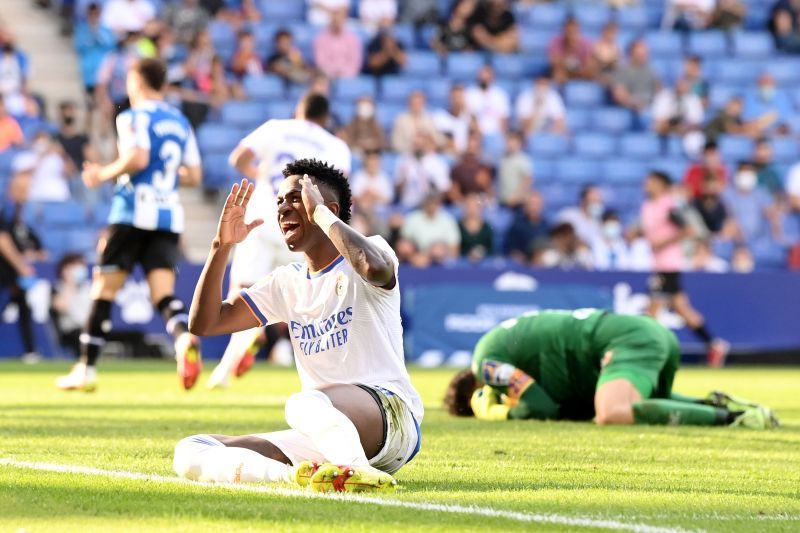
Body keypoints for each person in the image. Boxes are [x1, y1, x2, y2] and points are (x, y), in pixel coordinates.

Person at [173, 160, 423, 492]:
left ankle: (357, 472)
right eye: (279, 202)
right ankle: (300, 476)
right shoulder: (285, 282)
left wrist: (321, 214)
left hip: (390, 418)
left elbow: (374, 268)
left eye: (295, 199)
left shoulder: (372, 248)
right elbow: (205, 323)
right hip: (325, 432)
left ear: (327, 209)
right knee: (191, 450)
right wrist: (222, 247)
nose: (283, 208)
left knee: (303, 403)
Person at [56, 58, 203, 392]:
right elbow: (194, 175)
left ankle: (86, 370)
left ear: (137, 81)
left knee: (103, 289)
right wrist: (162, 177)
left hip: (132, 212)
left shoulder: (132, 116)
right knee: (163, 294)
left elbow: (136, 158)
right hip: (168, 216)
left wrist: (101, 174)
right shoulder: (180, 121)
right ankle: (183, 340)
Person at [209, 93, 352, 390]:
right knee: (298, 299)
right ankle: (317, 373)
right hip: (302, 229)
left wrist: (261, 176)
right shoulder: (336, 147)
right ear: (326, 119)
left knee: (242, 292)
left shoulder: (276, 127)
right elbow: (341, 194)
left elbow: (238, 158)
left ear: (299, 109)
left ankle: (225, 369)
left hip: (263, 218)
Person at [444, 308, 778, 429]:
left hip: (627, 340)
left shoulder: (485, 363)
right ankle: (714, 405)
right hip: (642, 333)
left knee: (612, 412)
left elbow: (542, 407)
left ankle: (733, 420)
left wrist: (495, 413)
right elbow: (566, 405)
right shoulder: (502, 346)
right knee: (633, 404)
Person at [640, 170, 730, 368]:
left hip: (668, 264)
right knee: (682, 309)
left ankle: (647, 354)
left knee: (652, 310)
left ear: (661, 185)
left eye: (650, 182)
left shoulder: (669, 206)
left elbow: (688, 229)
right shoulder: (649, 206)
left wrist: (662, 243)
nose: (646, 185)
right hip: (659, 263)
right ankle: (714, 344)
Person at [0, 172, 44, 362]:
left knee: (25, 310)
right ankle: (30, 351)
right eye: (23, 188)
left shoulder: (19, 212)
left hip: (13, 274)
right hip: (4, 271)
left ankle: (31, 352)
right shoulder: (5, 208)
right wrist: (20, 265)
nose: (27, 192)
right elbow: (2, 240)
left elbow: (29, 241)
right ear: (13, 188)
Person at [74, 2, 117, 130]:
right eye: (91, 14)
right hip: (89, 71)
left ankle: (104, 129)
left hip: (103, 71)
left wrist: (97, 34)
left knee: (104, 101)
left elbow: (111, 46)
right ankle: (88, 130)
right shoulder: (82, 29)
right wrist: (91, 35)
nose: (93, 16)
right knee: (89, 103)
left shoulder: (105, 30)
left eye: (96, 14)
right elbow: (79, 47)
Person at [397, 191, 460, 266]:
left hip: (439, 262)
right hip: (414, 259)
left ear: (439, 204)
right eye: (430, 202)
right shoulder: (413, 218)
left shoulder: (448, 220)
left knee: (437, 250)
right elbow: (403, 243)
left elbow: (454, 249)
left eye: (435, 202)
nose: (432, 205)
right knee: (405, 247)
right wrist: (415, 257)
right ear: (425, 203)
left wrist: (430, 257)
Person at [394, 132, 450, 209]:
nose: (418, 148)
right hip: (408, 204)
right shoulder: (404, 160)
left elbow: (443, 189)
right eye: (415, 145)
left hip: (429, 206)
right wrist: (403, 177)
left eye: (420, 145)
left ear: (426, 145)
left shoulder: (436, 163)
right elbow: (398, 189)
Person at [51, 253, 92, 357]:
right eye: (76, 266)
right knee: (82, 336)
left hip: (90, 328)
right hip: (72, 331)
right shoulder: (58, 288)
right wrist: (70, 285)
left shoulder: (89, 287)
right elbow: (60, 306)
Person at [611, 40, 660, 121]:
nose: (643, 56)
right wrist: (636, 104)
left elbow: (659, 91)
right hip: (630, 112)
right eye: (640, 54)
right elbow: (619, 95)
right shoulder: (622, 71)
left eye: (645, 54)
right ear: (631, 54)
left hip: (651, 109)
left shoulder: (651, 71)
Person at [312, 8, 363, 80]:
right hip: (327, 76)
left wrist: (344, 73)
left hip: (348, 76)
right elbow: (320, 62)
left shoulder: (353, 39)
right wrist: (332, 72)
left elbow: (355, 62)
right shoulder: (321, 39)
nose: (337, 23)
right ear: (331, 20)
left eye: (340, 20)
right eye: (335, 20)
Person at [504, 190, 549, 264]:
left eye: (537, 204)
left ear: (542, 206)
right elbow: (510, 249)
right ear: (525, 206)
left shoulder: (546, 226)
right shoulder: (516, 226)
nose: (534, 207)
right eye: (532, 204)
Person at [556, 184, 605, 251]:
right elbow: (559, 239)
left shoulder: (599, 222)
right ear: (583, 201)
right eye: (593, 201)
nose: (597, 204)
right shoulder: (568, 216)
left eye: (599, 202)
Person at [448, 132, 494, 204]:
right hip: (463, 205)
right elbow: (454, 194)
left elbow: (490, 195)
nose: (472, 148)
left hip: (480, 204)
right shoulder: (458, 169)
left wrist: (485, 185)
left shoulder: (485, 168)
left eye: (475, 146)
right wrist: (467, 204)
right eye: (470, 145)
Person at [391, 90, 442, 155]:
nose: (416, 105)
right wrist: (413, 145)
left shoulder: (429, 118)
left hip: (428, 155)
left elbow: (438, 139)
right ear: (409, 103)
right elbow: (396, 143)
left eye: (419, 103)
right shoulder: (401, 119)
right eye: (414, 103)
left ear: (423, 103)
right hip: (407, 155)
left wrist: (427, 142)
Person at [465, 65, 510, 136]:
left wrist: (499, 137)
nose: (485, 78)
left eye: (487, 75)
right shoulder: (470, 93)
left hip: (495, 135)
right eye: (483, 75)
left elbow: (504, 119)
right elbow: (469, 117)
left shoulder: (500, 95)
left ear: (492, 77)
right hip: (476, 134)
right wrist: (479, 133)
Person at [548, 17, 594, 84]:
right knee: (558, 74)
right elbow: (553, 62)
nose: (571, 33)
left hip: (580, 72)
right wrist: (568, 49)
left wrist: (578, 68)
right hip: (564, 70)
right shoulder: (555, 42)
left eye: (574, 30)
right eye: (569, 30)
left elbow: (589, 63)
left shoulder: (586, 44)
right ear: (564, 30)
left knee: (592, 72)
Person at [432, 84, 475, 155]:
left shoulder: (469, 116)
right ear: (449, 98)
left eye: (459, 97)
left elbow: (477, 135)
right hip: (448, 155)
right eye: (454, 97)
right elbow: (441, 141)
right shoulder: (440, 117)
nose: (457, 101)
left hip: (467, 155)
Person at [497, 130, 533, 209]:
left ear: (519, 143)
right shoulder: (502, 158)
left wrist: (516, 197)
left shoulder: (522, 159)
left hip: (518, 203)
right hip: (504, 200)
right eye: (509, 140)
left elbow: (527, 180)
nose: (510, 144)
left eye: (513, 141)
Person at [458, 193, 493, 261]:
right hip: (462, 264)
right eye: (468, 205)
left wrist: (481, 253)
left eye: (475, 206)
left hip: (484, 265)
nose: (472, 209)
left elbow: (492, 251)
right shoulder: (457, 227)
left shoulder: (487, 228)